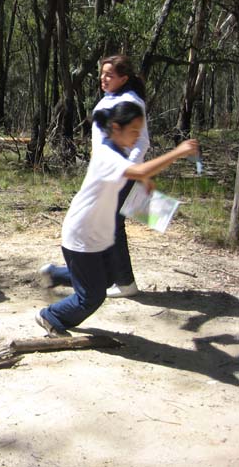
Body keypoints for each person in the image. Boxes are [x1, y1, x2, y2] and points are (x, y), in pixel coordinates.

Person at [35, 102, 198, 337]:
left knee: (109, 277)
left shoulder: (120, 154)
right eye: (133, 131)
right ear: (116, 128)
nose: (137, 136)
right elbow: (138, 170)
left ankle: (55, 274)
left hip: (97, 232)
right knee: (91, 297)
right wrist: (178, 152)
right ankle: (51, 316)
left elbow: (133, 173)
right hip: (81, 233)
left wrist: (145, 181)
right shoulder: (106, 154)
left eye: (139, 131)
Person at [39, 56, 150, 298]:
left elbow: (142, 142)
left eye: (110, 74)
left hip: (119, 174)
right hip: (105, 174)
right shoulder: (109, 99)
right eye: (102, 73)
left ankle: (123, 282)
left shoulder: (131, 101)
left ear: (124, 78)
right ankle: (70, 275)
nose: (103, 78)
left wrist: (126, 170)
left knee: (112, 225)